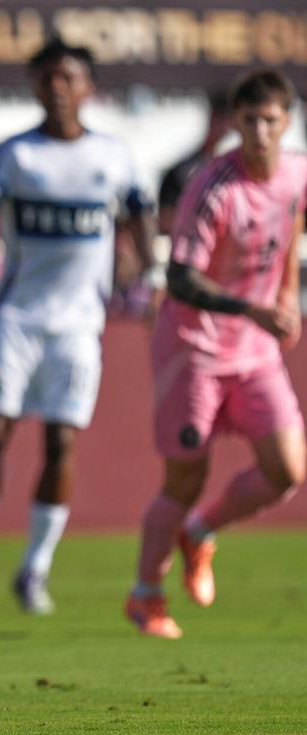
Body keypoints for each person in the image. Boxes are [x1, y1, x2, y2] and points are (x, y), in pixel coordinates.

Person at [0, 37, 156, 614]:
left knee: (62, 441)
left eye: (69, 79)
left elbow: (139, 211)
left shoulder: (113, 155)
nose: (58, 89)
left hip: (80, 324)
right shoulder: (16, 155)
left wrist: (148, 271)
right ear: (36, 87)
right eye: (48, 79)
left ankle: (35, 569)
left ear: (88, 87)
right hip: (18, 317)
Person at [125, 70, 305, 639]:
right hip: (194, 349)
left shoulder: (297, 172)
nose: (257, 132)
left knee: (287, 470)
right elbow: (179, 278)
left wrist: (284, 298)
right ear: (234, 122)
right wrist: (252, 309)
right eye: (247, 121)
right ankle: (147, 595)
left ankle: (201, 532)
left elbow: (292, 222)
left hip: (252, 353)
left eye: (268, 121)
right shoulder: (214, 188)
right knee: (185, 476)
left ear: (286, 122)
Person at [157, 90, 232, 236]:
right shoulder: (184, 171)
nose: (224, 128)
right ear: (211, 118)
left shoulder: (245, 173)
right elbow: (165, 220)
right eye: (220, 118)